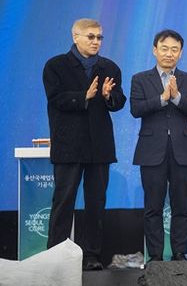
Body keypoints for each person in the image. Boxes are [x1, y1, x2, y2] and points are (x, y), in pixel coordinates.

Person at [42, 18, 126, 271]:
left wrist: (108, 96)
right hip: (68, 145)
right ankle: (55, 256)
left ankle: (91, 255)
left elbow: (119, 101)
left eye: (99, 37)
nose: (96, 41)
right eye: (91, 36)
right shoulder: (56, 65)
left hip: (99, 147)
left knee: (95, 203)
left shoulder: (109, 67)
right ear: (75, 36)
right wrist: (84, 96)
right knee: (63, 201)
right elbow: (55, 99)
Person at [130, 30, 187, 262]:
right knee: (153, 207)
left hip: (182, 150)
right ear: (155, 50)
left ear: (180, 53)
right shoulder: (140, 79)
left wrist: (177, 97)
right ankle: (155, 256)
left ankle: (180, 253)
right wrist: (162, 98)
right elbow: (136, 109)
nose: (169, 54)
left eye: (174, 49)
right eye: (164, 48)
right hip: (151, 151)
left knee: (181, 206)